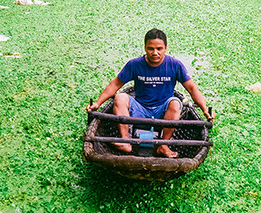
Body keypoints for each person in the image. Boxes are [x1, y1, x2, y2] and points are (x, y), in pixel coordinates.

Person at [87, 28, 214, 158]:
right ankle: (125, 141)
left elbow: (192, 88)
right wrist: (97, 103)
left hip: (163, 113)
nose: (155, 53)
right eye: (150, 49)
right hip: (139, 110)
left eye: (159, 49)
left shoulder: (175, 65)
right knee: (120, 97)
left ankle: (163, 145)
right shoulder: (135, 64)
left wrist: (205, 109)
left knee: (175, 103)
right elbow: (115, 84)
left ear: (165, 48)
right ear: (145, 48)